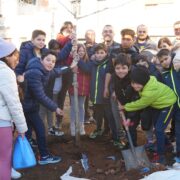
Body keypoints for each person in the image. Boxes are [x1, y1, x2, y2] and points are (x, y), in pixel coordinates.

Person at [23, 50, 72, 165]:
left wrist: (70, 67)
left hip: (28, 105)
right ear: (41, 59)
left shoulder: (43, 69)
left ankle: (28, 147)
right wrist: (55, 108)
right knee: (40, 129)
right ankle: (44, 156)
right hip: (28, 106)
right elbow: (40, 95)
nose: (51, 63)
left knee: (28, 129)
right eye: (48, 60)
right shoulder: (35, 73)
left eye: (53, 61)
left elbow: (56, 72)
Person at [120, 65, 176, 164]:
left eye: (138, 84)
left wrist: (125, 107)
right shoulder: (146, 83)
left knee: (159, 129)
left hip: (168, 104)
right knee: (158, 128)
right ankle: (167, 145)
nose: (134, 86)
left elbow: (141, 104)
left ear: (144, 82)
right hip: (157, 104)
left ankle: (161, 155)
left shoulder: (149, 92)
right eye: (133, 83)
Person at [78, 43, 118, 142]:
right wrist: (77, 58)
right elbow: (85, 68)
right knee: (98, 114)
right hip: (95, 96)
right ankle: (98, 129)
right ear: (94, 54)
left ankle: (111, 132)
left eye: (102, 53)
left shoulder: (108, 65)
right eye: (97, 53)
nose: (99, 55)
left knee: (108, 114)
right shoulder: (92, 64)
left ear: (106, 53)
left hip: (105, 95)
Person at [0, 38, 28, 180]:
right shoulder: (5, 72)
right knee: (4, 160)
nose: (16, 61)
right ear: (6, 56)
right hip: (2, 123)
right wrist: (22, 128)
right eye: (15, 57)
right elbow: (14, 103)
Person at [111, 53, 140, 147]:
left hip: (135, 108)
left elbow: (135, 100)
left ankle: (133, 145)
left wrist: (129, 117)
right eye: (118, 68)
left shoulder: (133, 81)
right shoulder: (115, 77)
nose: (120, 71)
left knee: (131, 127)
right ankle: (129, 142)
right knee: (125, 126)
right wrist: (116, 93)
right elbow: (116, 88)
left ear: (129, 67)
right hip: (125, 106)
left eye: (124, 68)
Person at [157, 49, 180, 156]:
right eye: (161, 61)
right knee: (177, 130)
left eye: (166, 59)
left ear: (171, 56)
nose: (164, 62)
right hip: (173, 107)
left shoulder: (177, 68)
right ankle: (175, 153)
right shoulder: (163, 74)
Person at [68, 44, 90, 136]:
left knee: (81, 106)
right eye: (79, 51)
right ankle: (72, 125)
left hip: (84, 87)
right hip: (74, 87)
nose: (81, 52)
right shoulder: (72, 61)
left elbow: (87, 70)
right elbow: (68, 73)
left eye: (82, 51)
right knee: (73, 106)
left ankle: (81, 125)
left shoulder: (88, 61)